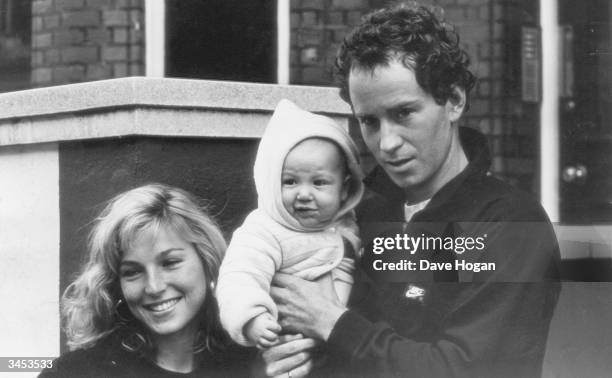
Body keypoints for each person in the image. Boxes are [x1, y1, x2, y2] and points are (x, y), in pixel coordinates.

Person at [263, 3, 561, 378]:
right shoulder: (353, 213)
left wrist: (334, 324)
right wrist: (282, 362)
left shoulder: (508, 224)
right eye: (369, 121)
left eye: (404, 113)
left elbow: (468, 371)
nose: (386, 143)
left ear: (453, 100)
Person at [39, 184, 253, 377]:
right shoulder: (75, 373)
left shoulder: (255, 363)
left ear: (208, 261)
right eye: (133, 272)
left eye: (170, 263)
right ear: (116, 284)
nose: (154, 286)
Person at [216, 99, 364, 349]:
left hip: (341, 342)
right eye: (290, 181)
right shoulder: (264, 230)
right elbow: (239, 277)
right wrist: (253, 318)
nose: (304, 194)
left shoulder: (345, 225)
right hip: (287, 339)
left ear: (344, 188)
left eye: (319, 183)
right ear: (272, 181)